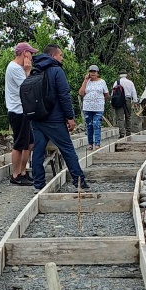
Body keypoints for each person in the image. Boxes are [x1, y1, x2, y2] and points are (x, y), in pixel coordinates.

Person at [29, 44, 88, 191]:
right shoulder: (56, 71)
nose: (62, 58)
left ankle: (38, 184)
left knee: (38, 150)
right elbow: (64, 95)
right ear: (53, 56)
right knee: (67, 149)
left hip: (37, 118)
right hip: (54, 119)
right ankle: (79, 182)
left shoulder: (35, 70)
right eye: (60, 55)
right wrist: (70, 117)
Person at [5, 42, 38, 184]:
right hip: (17, 110)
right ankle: (16, 175)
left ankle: (23, 172)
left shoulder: (18, 68)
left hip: (23, 110)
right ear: (25, 53)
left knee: (29, 143)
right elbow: (27, 87)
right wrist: (28, 70)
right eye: (30, 53)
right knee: (19, 144)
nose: (32, 56)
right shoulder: (15, 68)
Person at [111, 72, 139, 137]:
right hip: (128, 100)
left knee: (120, 118)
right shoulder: (130, 82)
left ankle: (122, 134)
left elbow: (113, 93)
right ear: (126, 75)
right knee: (128, 117)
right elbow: (134, 92)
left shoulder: (116, 82)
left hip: (119, 100)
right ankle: (128, 133)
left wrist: (112, 102)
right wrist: (135, 102)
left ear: (120, 75)